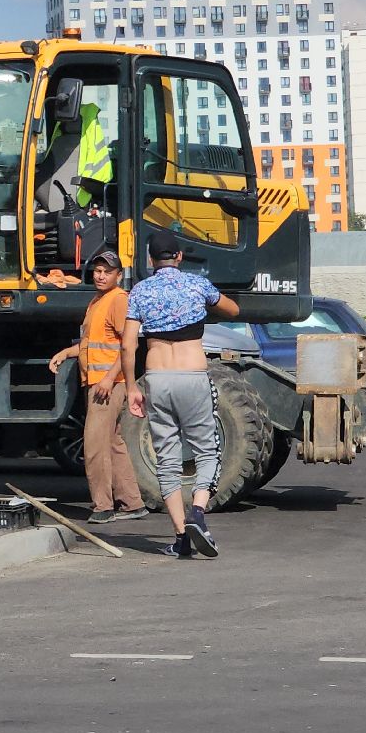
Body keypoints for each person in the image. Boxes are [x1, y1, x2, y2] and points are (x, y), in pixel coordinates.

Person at [119, 229, 241, 558]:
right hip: (193, 377)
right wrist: (209, 304)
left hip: (157, 379)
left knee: (167, 458)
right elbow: (233, 310)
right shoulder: (197, 284)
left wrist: (131, 386)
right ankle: (198, 514)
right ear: (179, 257)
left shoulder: (139, 292)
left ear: (149, 260)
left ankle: (180, 536)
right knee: (207, 451)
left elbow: (128, 344)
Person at [48, 249, 146, 524]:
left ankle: (103, 506)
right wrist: (67, 353)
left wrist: (109, 378)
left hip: (108, 384)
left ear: (119, 275)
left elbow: (127, 347)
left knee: (94, 445)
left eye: (107, 272)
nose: (101, 276)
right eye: (98, 271)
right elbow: (92, 343)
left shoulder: (118, 301)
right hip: (99, 383)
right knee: (112, 443)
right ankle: (132, 503)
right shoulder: (98, 301)